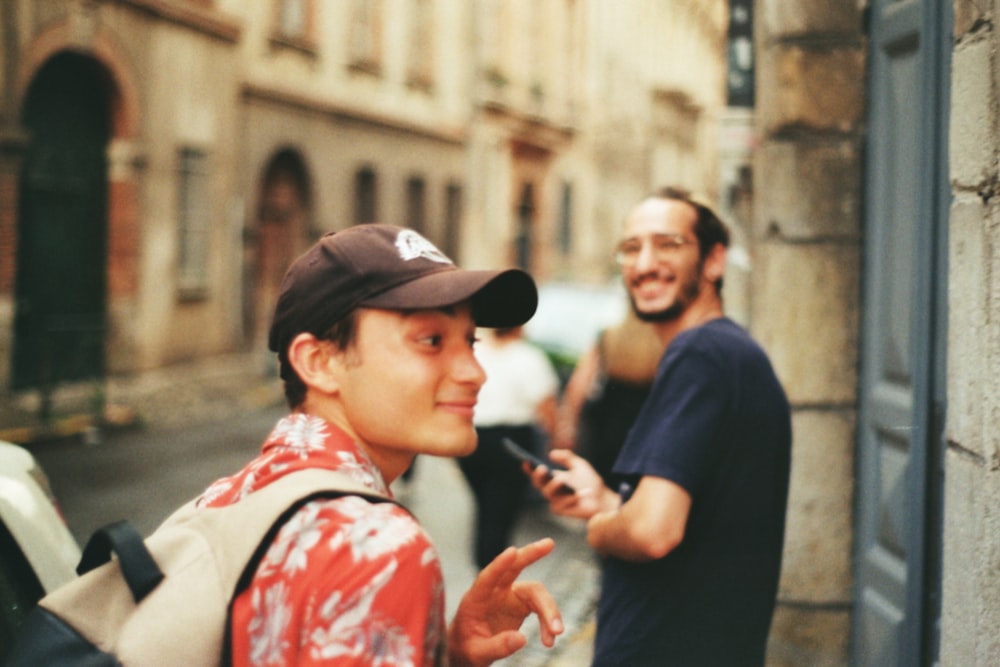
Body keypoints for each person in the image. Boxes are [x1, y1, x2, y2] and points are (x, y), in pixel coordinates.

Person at [199, 224, 564, 666]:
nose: (474, 372)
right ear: (319, 362)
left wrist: (443, 655)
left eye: (470, 340)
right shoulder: (380, 549)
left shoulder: (228, 496)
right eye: (431, 341)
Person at [530, 187, 791, 666]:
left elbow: (652, 532)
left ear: (715, 261)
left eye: (668, 244)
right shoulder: (731, 355)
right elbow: (694, 516)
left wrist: (600, 527)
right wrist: (606, 501)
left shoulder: (700, 355)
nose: (644, 263)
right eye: (631, 248)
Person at [458, 325, 560, 568]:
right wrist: (555, 438)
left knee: (485, 503)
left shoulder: (476, 352)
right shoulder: (528, 357)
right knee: (500, 509)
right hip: (511, 439)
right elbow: (545, 405)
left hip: (474, 437)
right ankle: (492, 567)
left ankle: (485, 562)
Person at [553, 308, 663, 485]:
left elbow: (579, 384)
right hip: (646, 427)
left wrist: (567, 426)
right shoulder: (665, 342)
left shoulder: (608, 336)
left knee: (601, 484)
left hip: (606, 425)